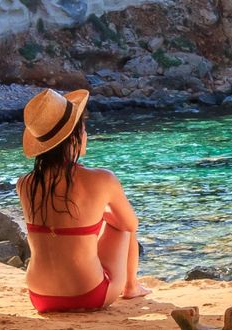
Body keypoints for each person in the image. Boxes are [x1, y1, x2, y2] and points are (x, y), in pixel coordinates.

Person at [17, 89, 150, 313]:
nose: (86, 134)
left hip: (40, 297)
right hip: (89, 295)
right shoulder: (102, 179)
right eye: (84, 129)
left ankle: (130, 286)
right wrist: (103, 216)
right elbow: (131, 225)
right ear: (75, 136)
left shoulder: (25, 183)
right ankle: (131, 287)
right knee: (123, 226)